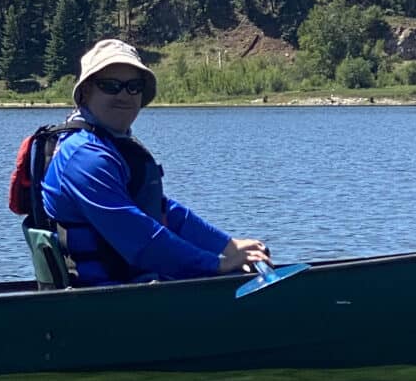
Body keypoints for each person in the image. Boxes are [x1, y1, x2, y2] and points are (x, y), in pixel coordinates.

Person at [38, 39, 270, 286]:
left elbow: (161, 211)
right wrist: (217, 264)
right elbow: (140, 238)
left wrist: (228, 245)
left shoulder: (110, 144)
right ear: (85, 93)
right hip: (105, 300)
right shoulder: (84, 157)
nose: (124, 95)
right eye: (110, 86)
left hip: (131, 289)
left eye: (133, 86)